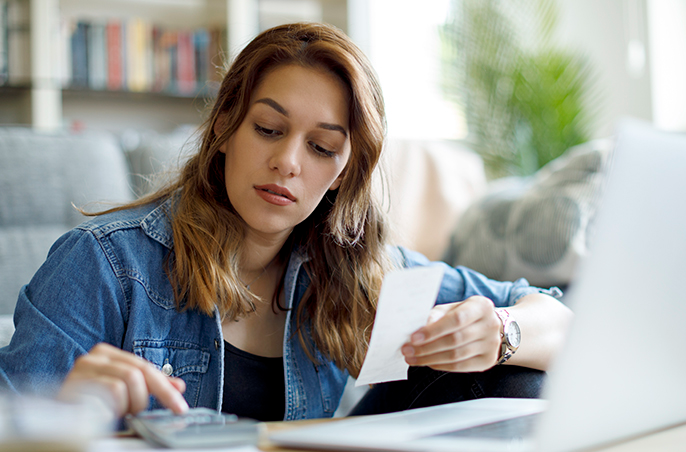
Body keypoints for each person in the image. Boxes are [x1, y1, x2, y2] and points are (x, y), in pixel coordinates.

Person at [0, 22, 572, 421]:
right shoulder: (104, 265)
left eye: (323, 147)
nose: (288, 162)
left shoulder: (354, 268)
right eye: (269, 130)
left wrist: (502, 333)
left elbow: (563, 323)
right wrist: (65, 407)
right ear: (225, 124)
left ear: (345, 174)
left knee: (516, 377)